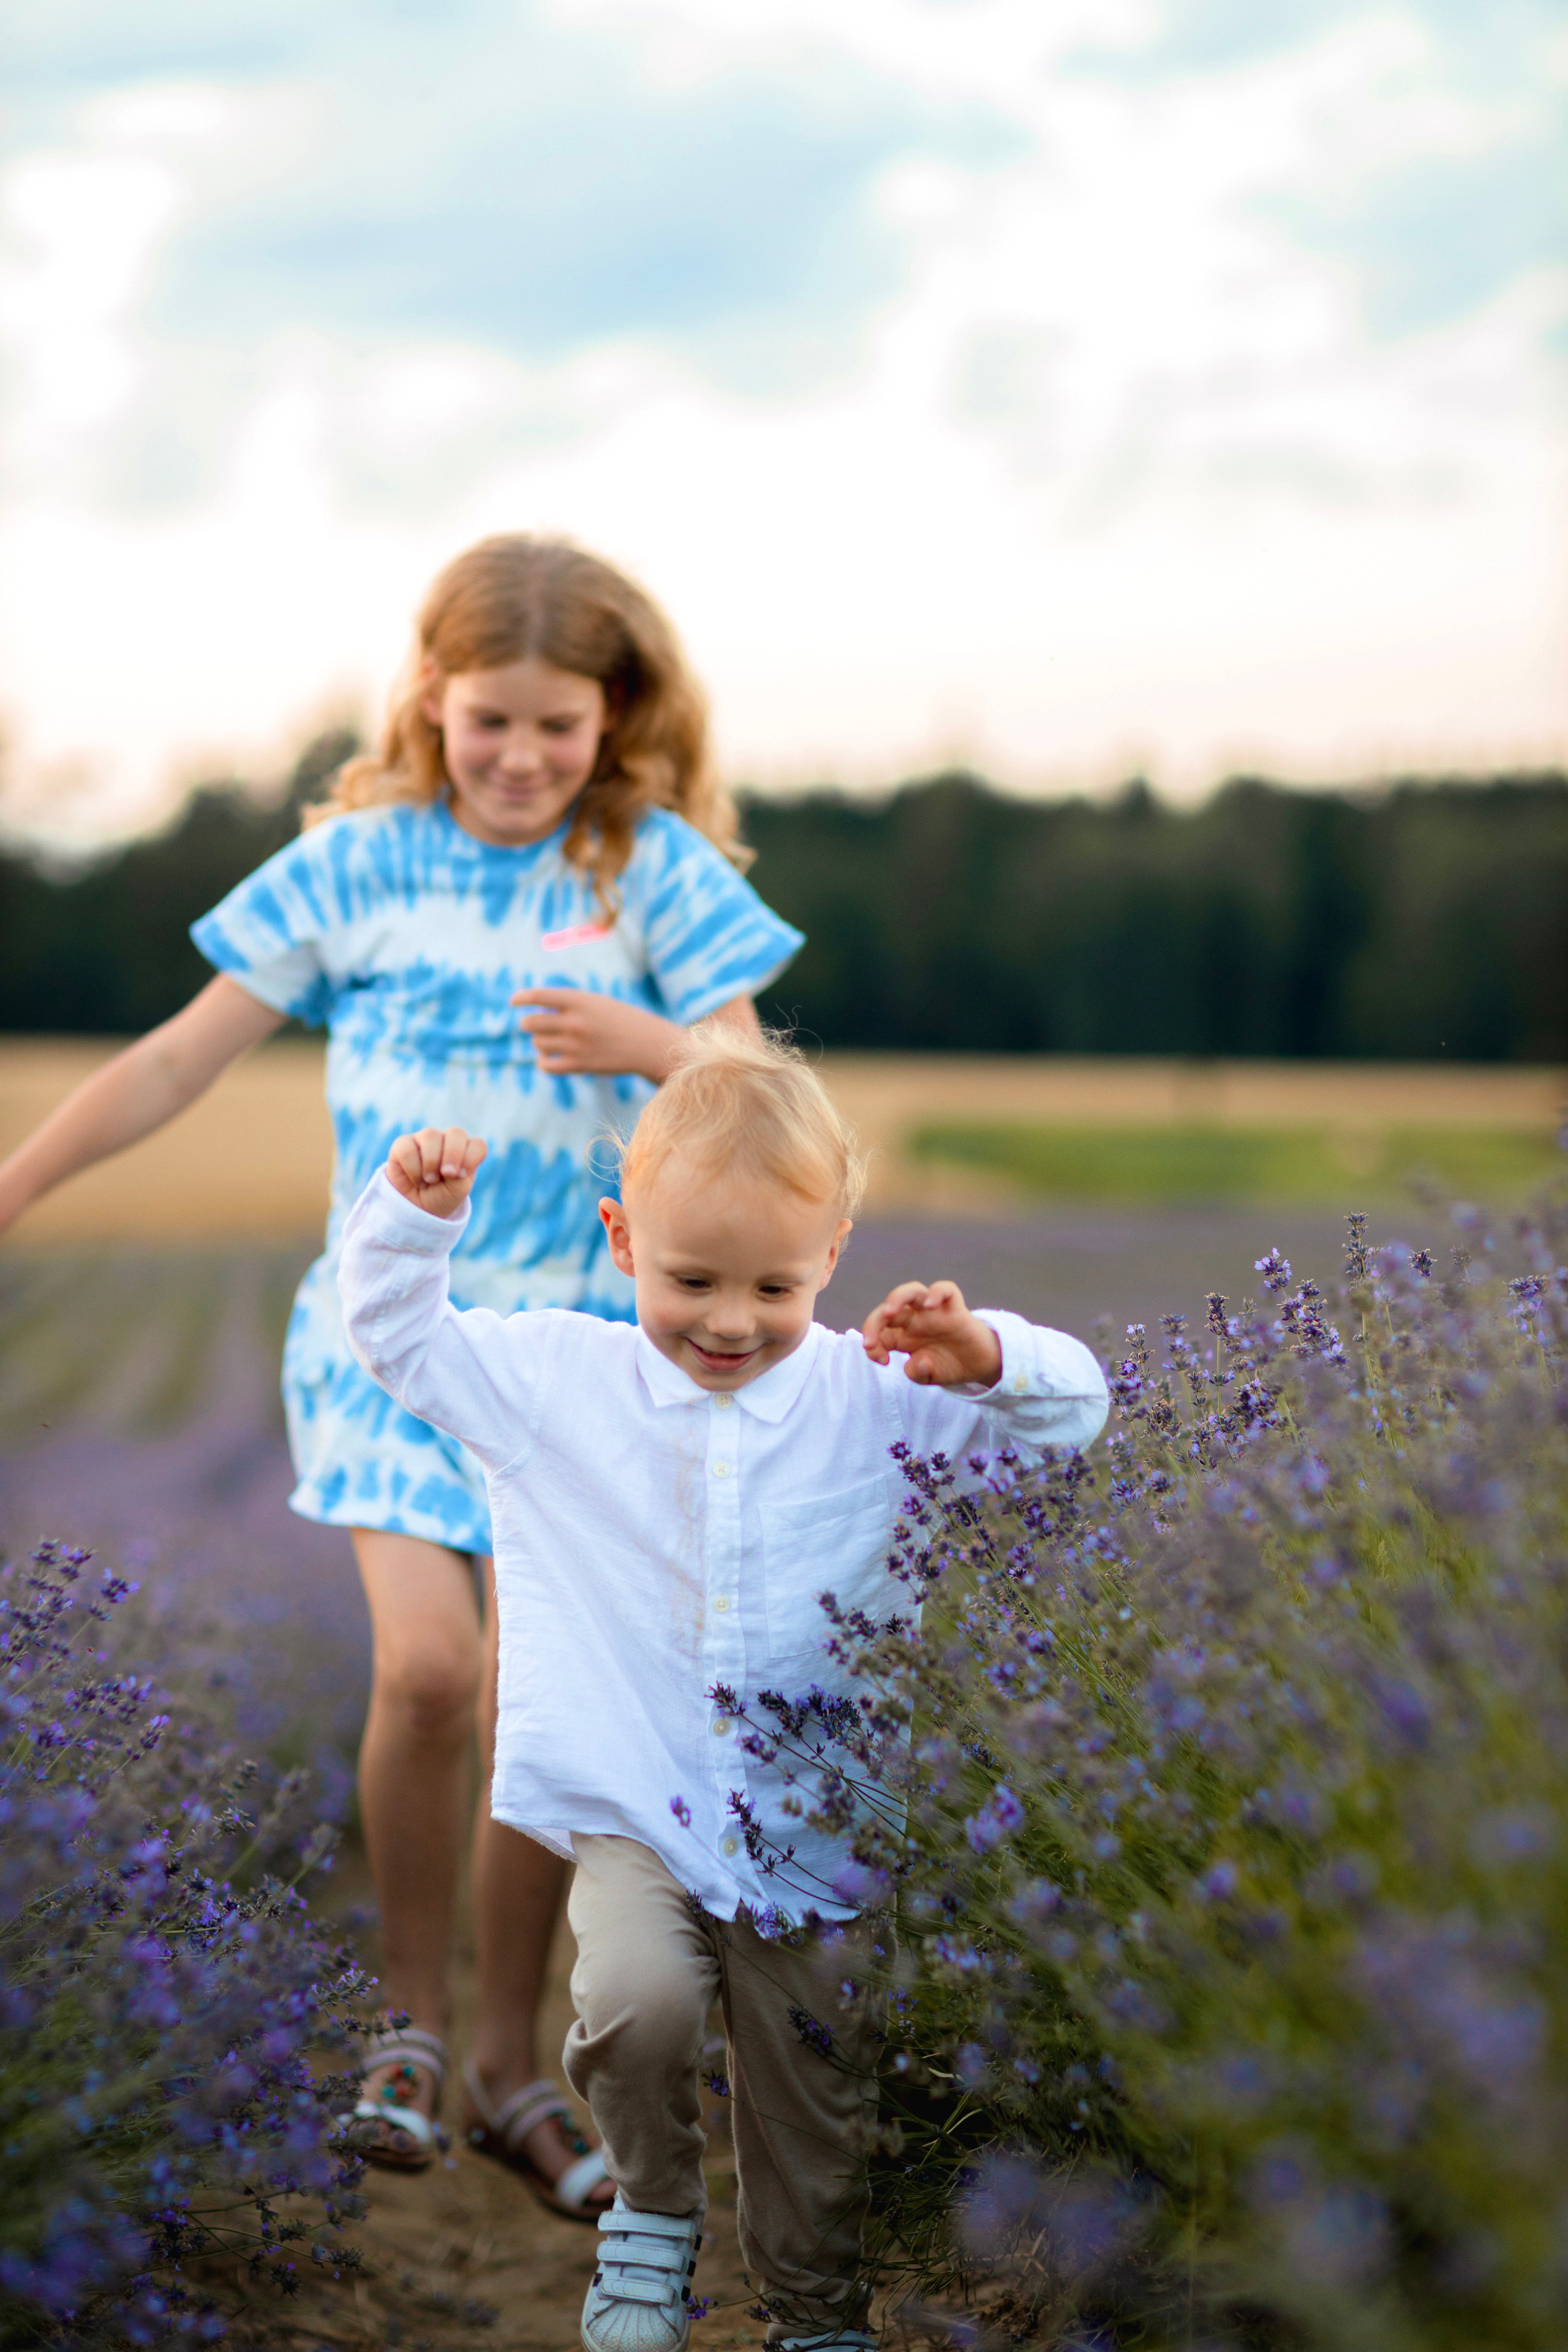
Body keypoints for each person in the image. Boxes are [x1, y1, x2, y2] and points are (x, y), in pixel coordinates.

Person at [0, 537, 804, 2215]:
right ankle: (409, 2032)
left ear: (614, 719)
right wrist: (16, 1182)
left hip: (580, 1363)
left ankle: (515, 2061)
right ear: (430, 701)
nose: (519, 759)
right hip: (394, 1341)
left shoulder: (646, 869)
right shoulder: (355, 869)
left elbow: (755, 1081)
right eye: (488, 721)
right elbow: (172, 1061)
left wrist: (650, 1041)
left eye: (558, 728)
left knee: (532, 1702)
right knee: (432, 1674)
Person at [336, 1024, 1109, 2351]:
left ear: (832, 1253)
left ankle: (810, 2316)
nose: (730, 1322)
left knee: (814, 2099)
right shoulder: (558, 1382)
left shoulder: (881, 1394)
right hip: (641, 1800)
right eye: (691, 1279)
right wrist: (413, 1220)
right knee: (632, 2003)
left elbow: (1077, 1420)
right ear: (621, 1240)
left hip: (825, 1820)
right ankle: (647, 2209)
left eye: (773, 1287)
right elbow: (400, 1342)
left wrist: (987, 1358)